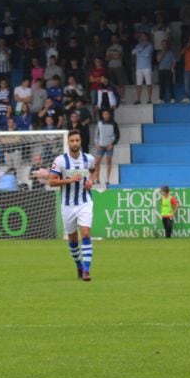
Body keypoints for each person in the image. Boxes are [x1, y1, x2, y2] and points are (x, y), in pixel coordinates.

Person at [47, 129, 98, 281]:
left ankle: (87, 271)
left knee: (86, 234)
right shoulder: (60, 161)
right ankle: (79, 265)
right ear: (68, 142)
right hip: (67, 205)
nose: (75, 143)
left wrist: (91, 181)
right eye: (72, 140)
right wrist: (68, 180)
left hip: (84, 202)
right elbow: (51, 181)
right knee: (73, 239)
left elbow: (94, 171)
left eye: (77, 140)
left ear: (80, 141)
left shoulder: (88, 158)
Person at [93, 108, 120, 187]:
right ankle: (97, 179)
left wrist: (112, 144)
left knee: (109, 161)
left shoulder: (114, 124)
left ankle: (108, 179)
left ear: (110, 115)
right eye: (104, 114)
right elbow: (96, 134)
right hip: (101, 146)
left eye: (107, 114)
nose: (106, 115)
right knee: (97, 162)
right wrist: (96, 143)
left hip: (109, 146)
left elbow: (117, 135)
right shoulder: (100, 123)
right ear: (102, 115)